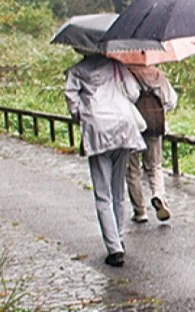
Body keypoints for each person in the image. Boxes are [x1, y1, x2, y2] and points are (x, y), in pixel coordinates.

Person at [64, 51, 146, 267]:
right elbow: (134, 92)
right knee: (118, 190)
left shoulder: (77, 71)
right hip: (122, 126)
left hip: (97, 128)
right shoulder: (116, 66)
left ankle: (114, 248)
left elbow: (72, 101)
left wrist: (83, 112)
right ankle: (119, 238)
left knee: (103, 194)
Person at [119, 61, 178, 223]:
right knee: (154, 166)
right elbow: (171, 100)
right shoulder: (157, 74)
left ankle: (140, 211)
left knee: (133, 170)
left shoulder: (125, 73)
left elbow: (128, 96)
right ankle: (159, 196)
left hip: (132, 126)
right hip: (154, 124)